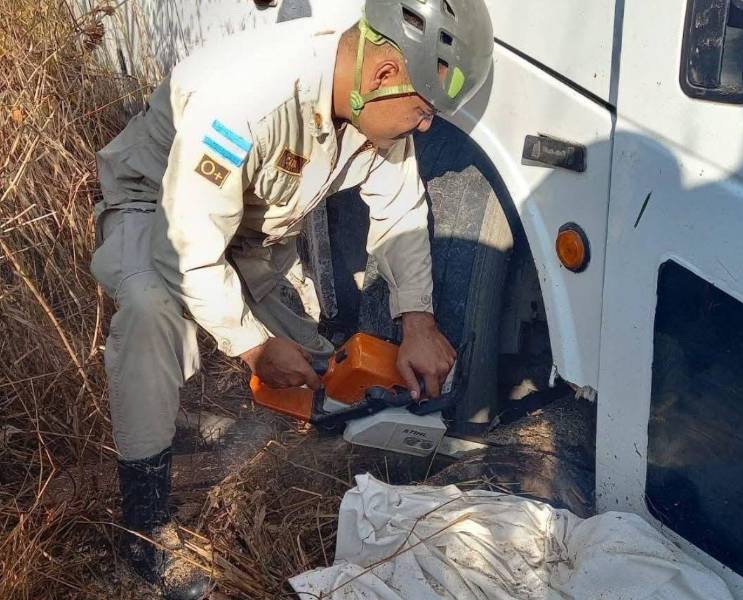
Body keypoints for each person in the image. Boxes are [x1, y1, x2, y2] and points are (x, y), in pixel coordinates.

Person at [91, 0, 493, 597]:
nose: (427, 126)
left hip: (246, 232)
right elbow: (189, 251)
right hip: (157, 210)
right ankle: (145, 528)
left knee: (319, 367)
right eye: (425, 110)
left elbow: (401, 211)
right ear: (384, 76)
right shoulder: (245, 102)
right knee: (154, 311)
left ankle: (200, 420)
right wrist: (252, 347)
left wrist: (418, 320)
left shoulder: (369, 97)